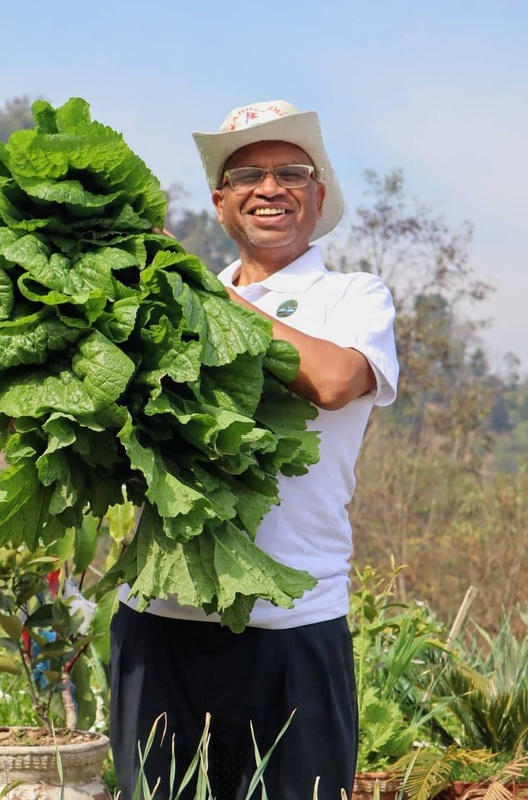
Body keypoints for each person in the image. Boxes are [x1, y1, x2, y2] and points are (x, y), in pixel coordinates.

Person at [110, 100, 399, 800]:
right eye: (248, 176)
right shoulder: (171, 298)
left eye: (290, 171)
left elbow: (333, 382)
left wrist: (211, 302)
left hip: (293, 622)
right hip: (160, 618)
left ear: (318, 194)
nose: (270, 188)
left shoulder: (353, 296)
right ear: (220, 202)